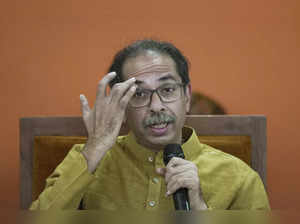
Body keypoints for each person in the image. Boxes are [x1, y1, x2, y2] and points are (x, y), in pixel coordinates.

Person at [30, 39, 270, 210]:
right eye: (139, 94)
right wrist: (94, 149)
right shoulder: (87, 160)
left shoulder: (240, 178)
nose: (156, 106)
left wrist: (199, 209)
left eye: (167, 89)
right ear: (120, 103)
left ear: (186, 96)